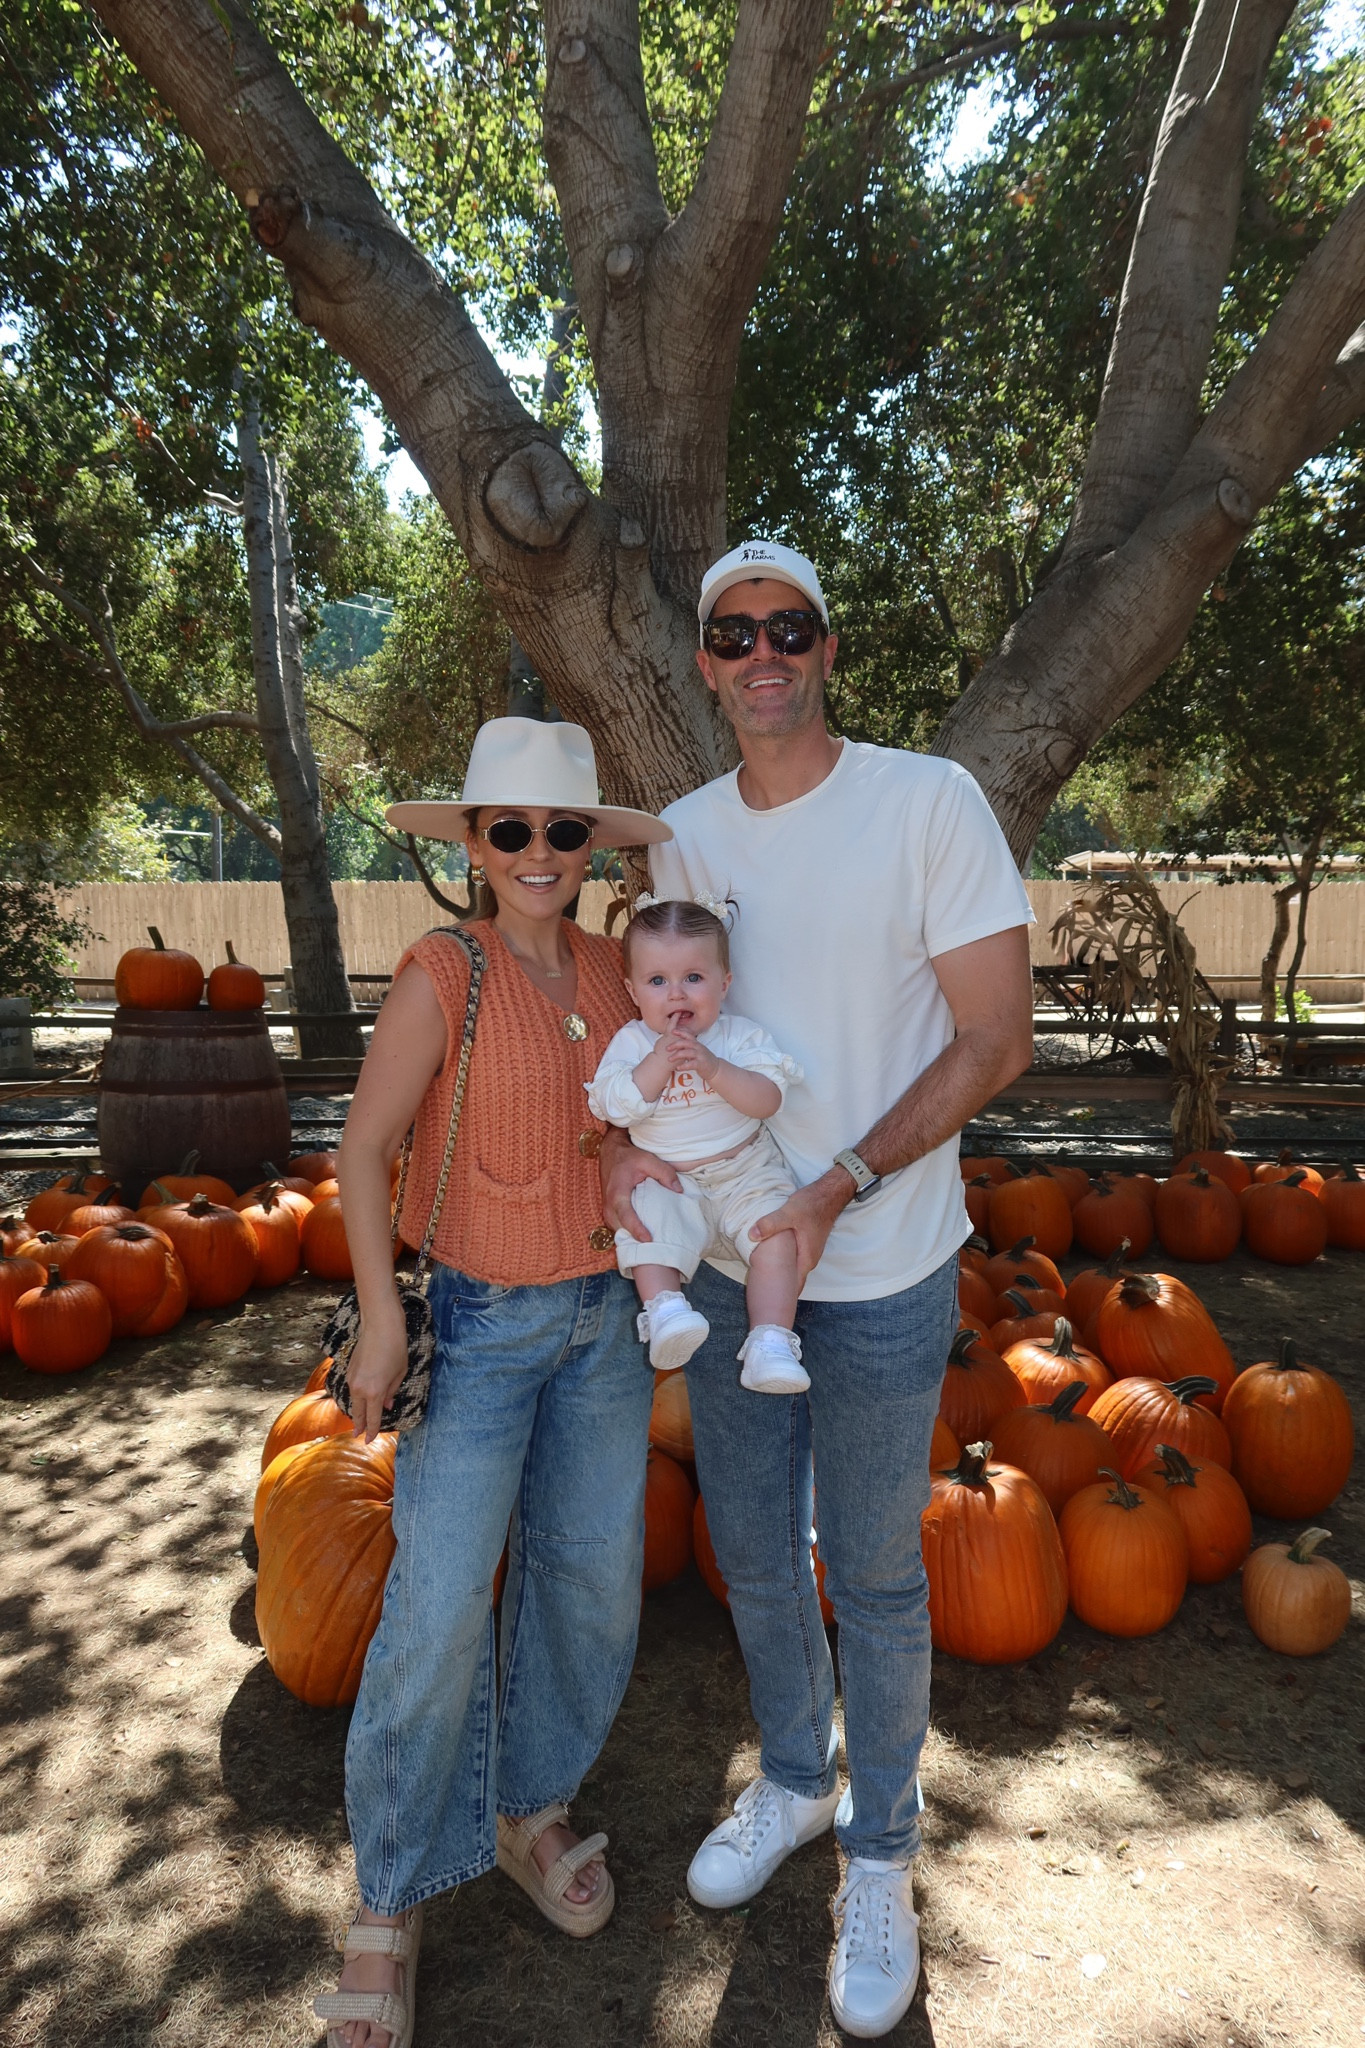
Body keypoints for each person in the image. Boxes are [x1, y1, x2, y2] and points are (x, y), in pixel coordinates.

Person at [600, 539, 1035, 2039]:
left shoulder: (928, 803)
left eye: (789, 628)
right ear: (707, 664)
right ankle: (794, 1778)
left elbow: (993, 1039)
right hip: (725, 1273)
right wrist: (627, 1173)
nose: (763, 653)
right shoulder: (686, 840)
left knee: (881, 1566)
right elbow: (660, 1041)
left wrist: (841, 1175)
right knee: (753, 1553)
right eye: (735, 634)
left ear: (827, 648)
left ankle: (880, 1852)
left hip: (888, 1259)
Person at [315, 717, 672, 2048]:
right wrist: (378, 1319)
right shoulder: (441, 971)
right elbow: (363, 1152)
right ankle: (392, 1892)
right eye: (508, 829)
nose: (536, 852)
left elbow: (654, 1113)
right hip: (481, 1326)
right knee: (435, 1602)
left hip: (609, 1327)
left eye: (562, 830)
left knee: (587, 1581)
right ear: (469, 844)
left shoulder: (614, 964)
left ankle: (528, 1809)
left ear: (590, 846)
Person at [585, 894, 807, 1392]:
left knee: (777, 1238)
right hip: (672, 1176)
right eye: (658, 981)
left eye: (694, 978)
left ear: (724, 984)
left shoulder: (738, 1038)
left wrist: (712, 1066)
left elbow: (766, 1099)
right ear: (633, 990)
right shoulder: (633, 1043)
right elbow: (615, 1107)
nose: (677, 994)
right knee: (646, 1222)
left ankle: (770, 1341)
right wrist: (657, 1063)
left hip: (745, 1169)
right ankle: (665, 1311)